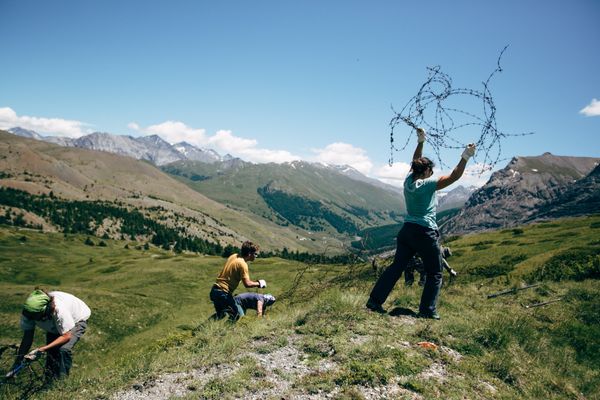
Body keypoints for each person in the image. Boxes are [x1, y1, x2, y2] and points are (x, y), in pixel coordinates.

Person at [366, 128, 475, 319]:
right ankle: (427, 311)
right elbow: (455, 175)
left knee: (396, 267)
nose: (431, 173)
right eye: (430, 170)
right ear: (425, 171)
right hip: (425, 232)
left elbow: (416, 160)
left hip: (407, 231)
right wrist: (466, 156)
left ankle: (374, 301)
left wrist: (421, 141)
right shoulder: (428, 185)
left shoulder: (408, 181)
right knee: (435, 272)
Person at [14, 288, 90, 380]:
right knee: (52, 352)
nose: (33, 319)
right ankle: (49, 382)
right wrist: (17, 362)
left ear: (46, 311)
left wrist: (42, 349)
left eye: (36, 317)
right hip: (54, 324)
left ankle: (62, 383)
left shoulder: (59, 310)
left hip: (77, 318)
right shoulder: (29, 312)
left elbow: (66, 336)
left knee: (63, 350)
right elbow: (27, 338)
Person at [210, 241, 266, 321]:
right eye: (255, 254)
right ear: (250, 254)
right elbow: (247, 284)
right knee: (237, 315)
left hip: (215, 290)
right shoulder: (243, 264)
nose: (256, 256)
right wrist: (259, 283)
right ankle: (225, 332)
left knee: (221, 314)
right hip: (223, 293)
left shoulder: (234, 256)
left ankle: (199, 330)